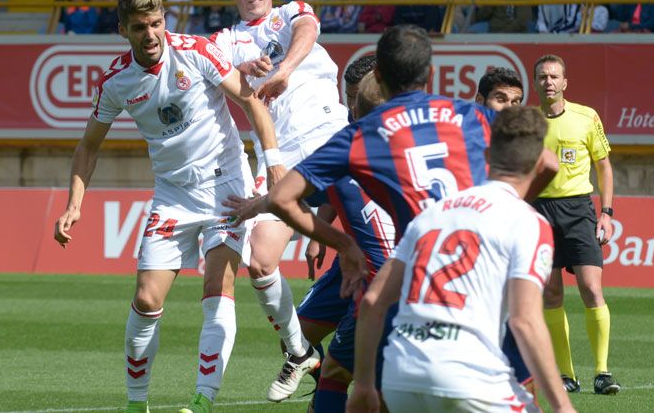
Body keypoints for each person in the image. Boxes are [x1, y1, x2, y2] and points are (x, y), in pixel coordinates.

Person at [240, 25, 557, 411]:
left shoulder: (361, 134)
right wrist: (507, 204)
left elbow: (281, 198)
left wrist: (344, 245)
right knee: (518, 374)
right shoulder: (473, 116)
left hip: (415, 278)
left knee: (357, 374)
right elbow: (546, 162)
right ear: (429, 72)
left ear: (381, 76)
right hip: (487, 267)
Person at [51, 0, 285, 413]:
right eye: (140, 27)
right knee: (146, 299)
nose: (151, 34)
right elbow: (88, 147)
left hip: (226, 185)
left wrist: (272, 165)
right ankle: (135, 403)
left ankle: (202, 399)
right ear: (123, 30)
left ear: (165, 21)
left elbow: (251, 101)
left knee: (219, 285)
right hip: (172, 194)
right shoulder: (116, 81)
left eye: (156, 23)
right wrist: (74, 204)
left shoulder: (196, 51)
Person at [347, 106, 575, 413]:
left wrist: (363, 384)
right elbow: (525, 320)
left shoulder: (432, 214)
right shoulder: (528, 222)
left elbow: (373, 301)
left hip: (400, 376)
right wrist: (563, 406)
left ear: (487, 158)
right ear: (537, 165)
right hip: (470, 377)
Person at [211, 0, 357, 398]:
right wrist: (241, 68)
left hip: (330, 138)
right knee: (260, 260)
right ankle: (300, 353)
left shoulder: (293, 11)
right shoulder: (225, 40)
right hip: (277, 156)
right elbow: (209, 71)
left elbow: (307, 30)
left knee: (374, 245)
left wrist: (282, 71)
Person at [531, 54, 620, 395]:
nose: (548, 82)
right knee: (551, 294)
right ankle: (566, 375)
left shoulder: (586, 117)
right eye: (542, 77)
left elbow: (604, 167)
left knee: (591, 289)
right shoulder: (528, 122)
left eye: (554, 76)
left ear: (565, 82)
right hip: (539, 210)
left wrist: (607, 212)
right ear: (536, 82)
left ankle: (602, 372)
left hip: (579, 210)